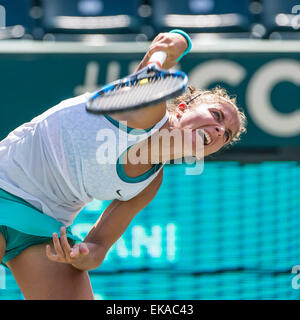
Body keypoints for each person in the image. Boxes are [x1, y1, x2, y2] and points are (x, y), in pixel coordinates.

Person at [0, 31, 246, 300]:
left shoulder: (149, 184)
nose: (219, 129)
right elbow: (150, 72)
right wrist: (180, 42)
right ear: (182, 108)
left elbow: (98, 246)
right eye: (216, 115)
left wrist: (79, 256)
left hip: (46, 229)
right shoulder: (146, 112)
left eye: (226, 134)